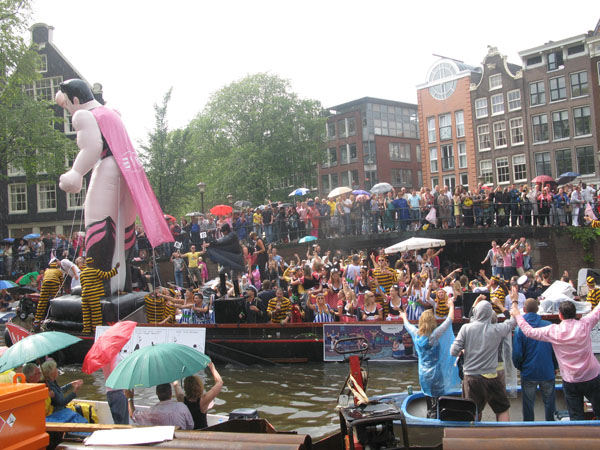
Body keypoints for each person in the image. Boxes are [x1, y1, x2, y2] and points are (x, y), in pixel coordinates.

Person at [511, 300, 600, 420]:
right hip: (591, 375)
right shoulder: (585, 324)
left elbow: (529, 332)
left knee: (576, 417)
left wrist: (517, 314)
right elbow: (597, 311)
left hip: (571, 379)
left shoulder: (554, 330)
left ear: (560, 315)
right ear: (575, 313)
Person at [450, 296, 516, 421]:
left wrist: (463, 351)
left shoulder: (466, 328)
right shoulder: (497, 329)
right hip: (491, 376)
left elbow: (453, 351)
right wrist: (514, 303)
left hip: (471, 377)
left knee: (472, 410)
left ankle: (474, 432)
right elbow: (513, 322)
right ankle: (504, 431)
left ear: (476, 313)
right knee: (502, 409)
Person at [400, 297, 459, 418]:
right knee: (438, 401)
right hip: (436, 373)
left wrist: (404, 316)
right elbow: (449, 320)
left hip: (423, 373)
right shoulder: (435, 335)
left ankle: (428, 417)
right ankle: (437, 419)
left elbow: (407, 325)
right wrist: (451, 306)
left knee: (428, 399)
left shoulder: (416, 334)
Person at [512, 298, 557, 422]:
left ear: (524, 310)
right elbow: (555, 349)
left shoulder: (519, 329)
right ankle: (551, 426)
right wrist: (555, 366)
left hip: (529, 372)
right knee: (550, 403)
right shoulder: (548, 325)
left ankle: (529, 427)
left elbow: (517, 354)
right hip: (547, 370)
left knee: (528, 403)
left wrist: (520, 367)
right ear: (537, 309)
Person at [174, 362, 223, 430]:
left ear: (185, 388)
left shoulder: (181, 399)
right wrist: (212, 368)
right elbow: (219, 383)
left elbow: (176, 384)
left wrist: (176, 370)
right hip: (202, 432)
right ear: (200, 386)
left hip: (188, 432)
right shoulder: (203, 401)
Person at [128, 383, 193, 430]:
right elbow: (190, 425)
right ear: (171, 393)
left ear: (157, 393)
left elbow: (133, 415)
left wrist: (130, 398)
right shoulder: (182, 407)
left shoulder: (151, 412)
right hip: (181, 440)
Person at [80, 257, 119, 334]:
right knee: (96, 314)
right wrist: (115, 268)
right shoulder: (96, 271)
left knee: (86, 314)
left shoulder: (82, 273)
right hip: (93, 296)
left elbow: (82, 284)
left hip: (84, 296)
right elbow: (107, 275)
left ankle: (86, 330)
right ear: (92, 263)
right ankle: (96, 330)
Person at [203, 223, 244, 298]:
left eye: (223, 231)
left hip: (235, 259)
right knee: (221, 272)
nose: (222, 233)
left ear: (226, 231)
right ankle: (223, 291)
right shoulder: (228, 236)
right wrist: (210, 238)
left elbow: (222, 241)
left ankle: (237, 293)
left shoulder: (232, 235)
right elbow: (220, 240)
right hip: (229, 259)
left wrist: (211, 244)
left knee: (234, 276)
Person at [33, 259, 64, 329]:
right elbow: (62, 284)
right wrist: (61, 294)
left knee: (42, 301)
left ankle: (37, 318)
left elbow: (44, 280)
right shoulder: (59, 271)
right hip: (54, 284)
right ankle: (56, 318)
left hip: (45, 285)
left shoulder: (46, 271)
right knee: (55, 301)